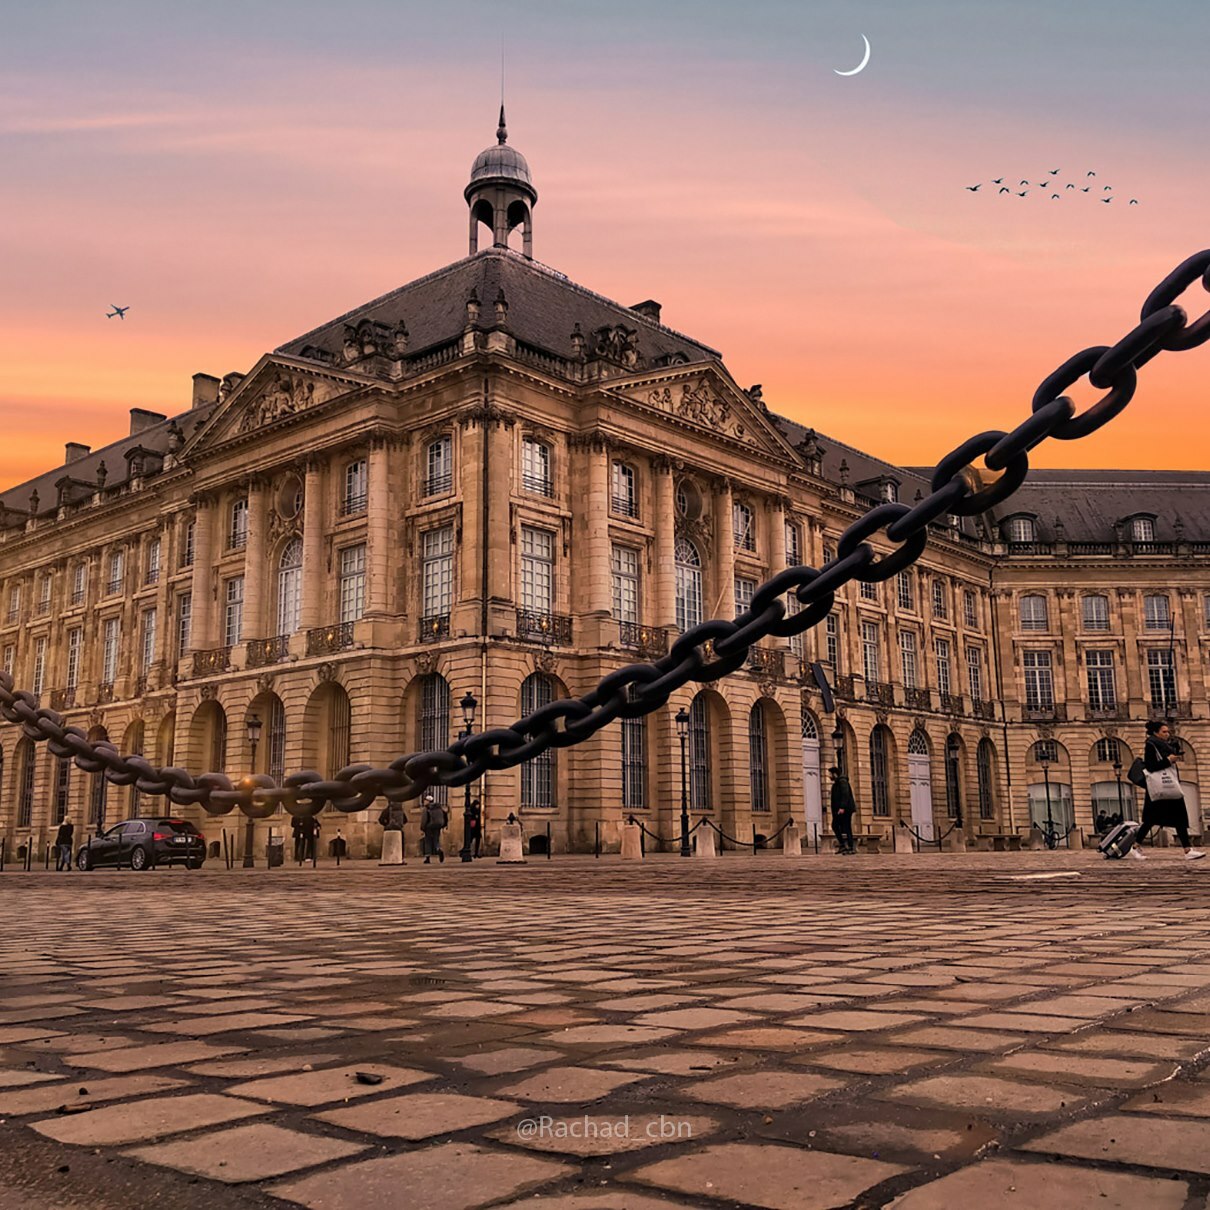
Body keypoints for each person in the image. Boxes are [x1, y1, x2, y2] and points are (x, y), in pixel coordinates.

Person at [1129, 720, 1205, 861]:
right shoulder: (1151, 745)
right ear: (1155, 733)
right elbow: (1151, 767)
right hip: (1160, 788)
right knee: (1150, 820)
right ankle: (1135, 846)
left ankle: (1188, 850)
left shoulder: (1163, 745)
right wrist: (1168, 760)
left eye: (1167, 731)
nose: (1167, 734)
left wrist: (1172, 755)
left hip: (1169, 786)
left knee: (1180, 818)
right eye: (1164, 731)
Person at [828, 766, 856, 855]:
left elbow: (845, 794)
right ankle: (843, 845)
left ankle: (850, 847)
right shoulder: (837, 783)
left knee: (846, 827)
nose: (829, 776)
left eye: (830, 774)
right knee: (836, 826)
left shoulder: (842, 781)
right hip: (840, 810)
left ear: (835, 774)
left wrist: (842, 807)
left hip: (845, 809)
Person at [421, 794, 448, 863]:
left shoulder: (426, 809)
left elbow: (424, 819)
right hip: (437, 826)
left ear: (428, 801)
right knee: (436, 840)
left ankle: (427, 858)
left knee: (428, 842)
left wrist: (422, 828)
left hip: (429, 827)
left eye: (425, 800)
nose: (424, 802)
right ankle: (438, 850)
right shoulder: (439, 808)